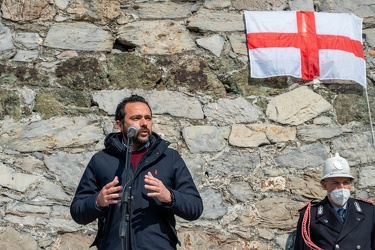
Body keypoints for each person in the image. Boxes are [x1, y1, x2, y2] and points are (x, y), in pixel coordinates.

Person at [70, 94, 203, 249]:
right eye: (136, 118)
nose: (144, 123)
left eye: (148, 118)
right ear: (120, 125)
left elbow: (195, 208)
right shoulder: (101, 160)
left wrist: (170, 197)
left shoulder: (169, 158)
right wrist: (97, 202)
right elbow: (77, 212)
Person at [294, 152, 375, 249]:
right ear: (324, 185)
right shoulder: (310, 216)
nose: (342, 187)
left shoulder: (368, 211)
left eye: (345, 182)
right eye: (335, 183)